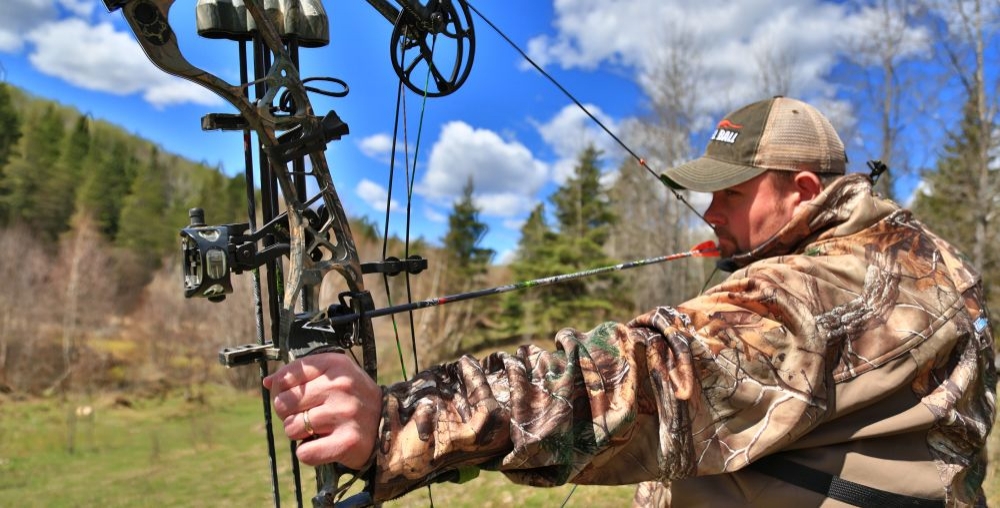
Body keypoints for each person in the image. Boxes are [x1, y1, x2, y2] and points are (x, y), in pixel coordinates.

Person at [263, 96, 997, 506]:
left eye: (732, 194)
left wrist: (401, 420)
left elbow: (645, 372)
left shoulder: (834, 286)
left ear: (802, 191)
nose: (710, 212)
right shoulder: (903, 255)